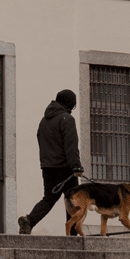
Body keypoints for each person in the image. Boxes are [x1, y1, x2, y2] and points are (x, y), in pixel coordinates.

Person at [18, 89, 84, 235]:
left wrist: (46, 163)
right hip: (65, 167)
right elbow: (71, 145)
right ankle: (72, 234)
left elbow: (41, 142)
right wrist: (76, 166)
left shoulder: (44, 121)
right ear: (69, 103)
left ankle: (29, 221)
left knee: (48, 198)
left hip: (48, 167)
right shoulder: (66, 119)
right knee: (72, 199)